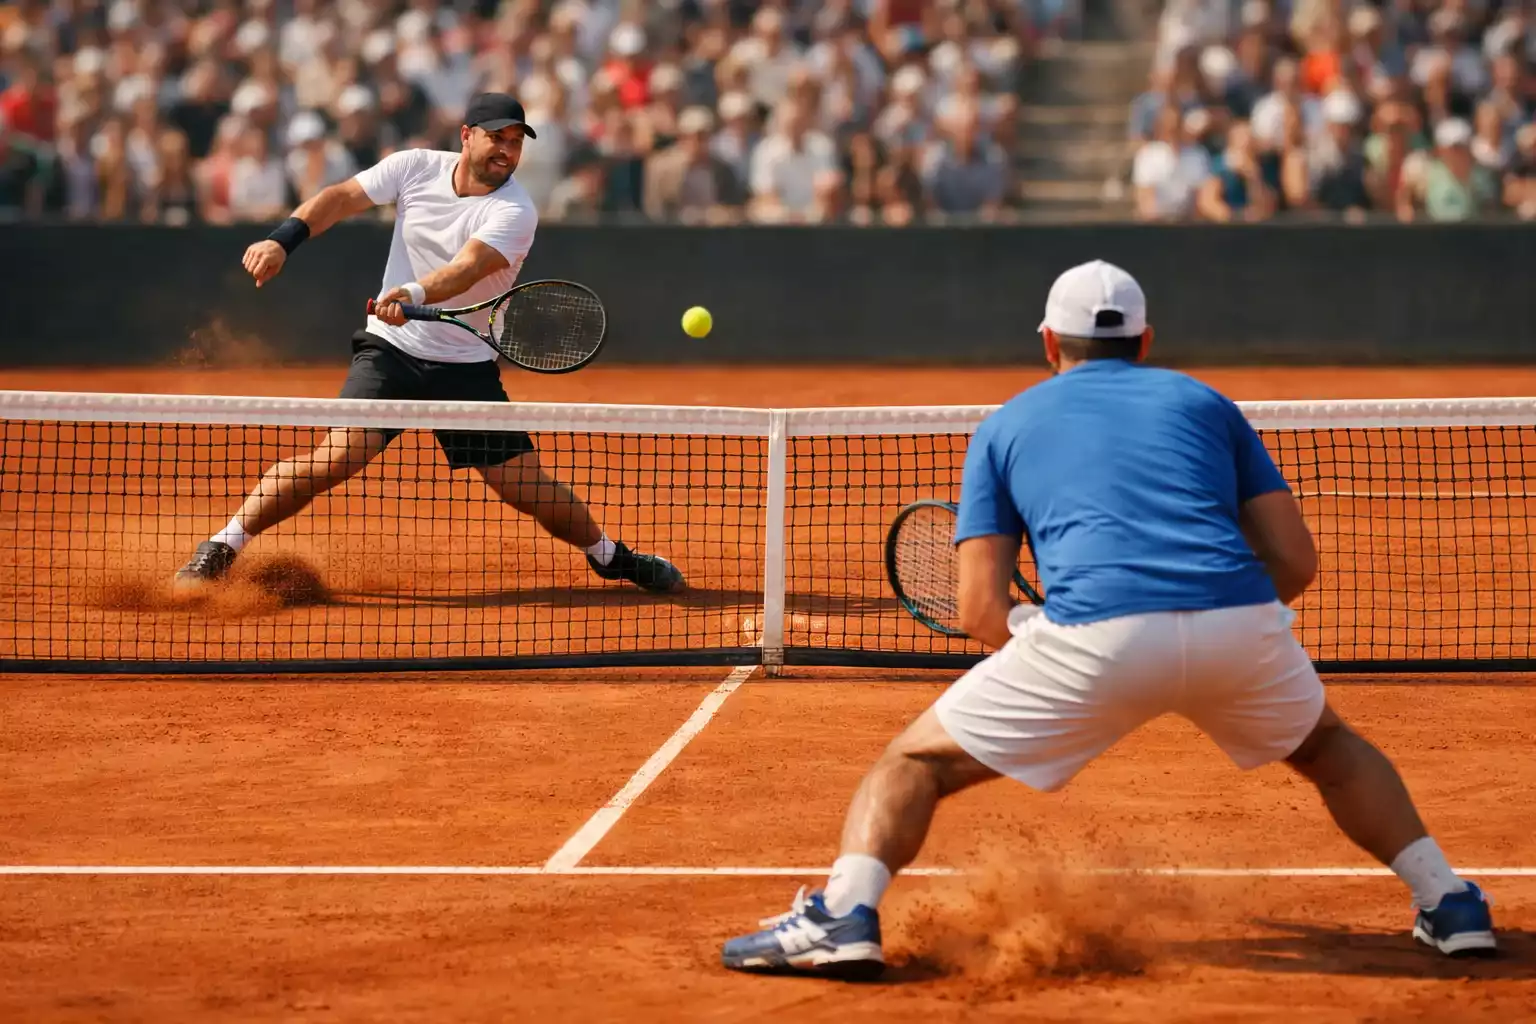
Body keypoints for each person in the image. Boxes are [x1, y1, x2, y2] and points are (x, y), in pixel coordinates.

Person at [720, 260, 1496, 977]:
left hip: (1095, 637)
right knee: (1330, 748)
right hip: (1238, 621)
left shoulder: (1006, 425)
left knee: (912, 766)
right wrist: (1215, 622)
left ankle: (845, 914)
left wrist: (1041, 634)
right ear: (1145, 340)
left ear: (1049, 343)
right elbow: (1295, 561)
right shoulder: (1204, 403)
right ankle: (1450, 902)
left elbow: (979, 609)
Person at [173, 93, 684, 595]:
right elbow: (341, 198)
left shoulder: (516, 210)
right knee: (337, 458)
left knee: (525, 488)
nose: (506, 150)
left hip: (464, 367)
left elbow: (467, 269)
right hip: (391, 351)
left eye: (515, 142)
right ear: (466, 136)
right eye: (496, 138)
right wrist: (281, 240)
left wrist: (413, 292)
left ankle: (611, 556)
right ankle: (221, 546)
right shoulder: (414, 167)